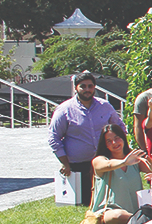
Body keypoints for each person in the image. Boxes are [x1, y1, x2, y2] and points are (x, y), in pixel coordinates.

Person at [49, 72, 127, 207]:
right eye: (83, 86)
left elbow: (119, 127)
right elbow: (54, 137)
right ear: (75, 88)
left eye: (90, 86)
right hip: (79, 165)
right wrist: (65, 163)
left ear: (94, 87)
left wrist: (120, 149)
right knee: (85, 201)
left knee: (109, 199)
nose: (87, 89)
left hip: (105, 161)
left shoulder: (105, 106)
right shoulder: (64, 109)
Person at [89, 125, 152, 224]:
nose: (114, 143)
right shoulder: (99, 160)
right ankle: (147, 222)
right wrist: (124, 162)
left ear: (123, 138)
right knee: (118, 216)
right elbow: (109, 164)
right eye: (109, 141)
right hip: (109, 212)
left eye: (116, 138)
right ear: (105, 144)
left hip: (135, 210)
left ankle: (141, 221)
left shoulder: (134, 160)